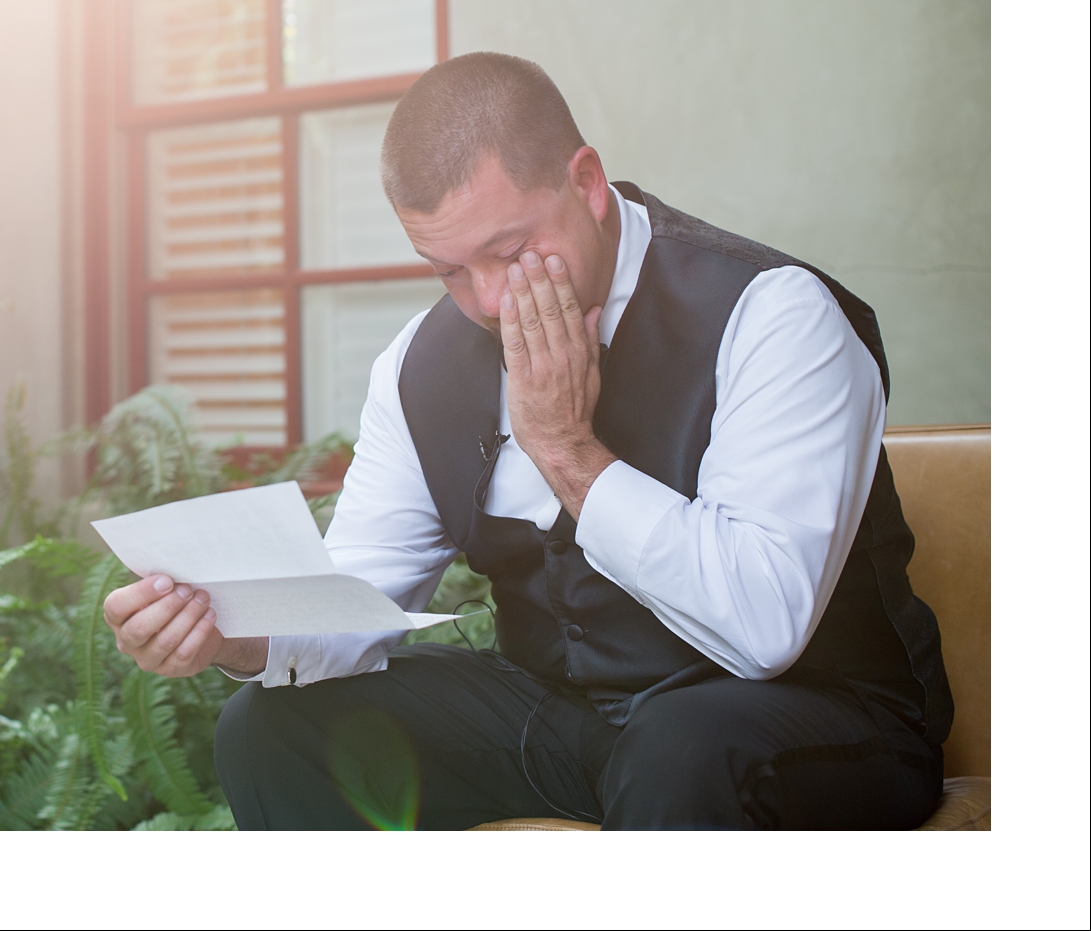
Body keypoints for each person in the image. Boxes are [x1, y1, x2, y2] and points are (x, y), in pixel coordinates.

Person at [102, 52, 952, 830]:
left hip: (813, 721)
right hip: (569, 719)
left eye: (508, 252)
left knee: (684, 746)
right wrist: (236, 637)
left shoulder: (774, 313)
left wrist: (566, 450)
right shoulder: (418, 365)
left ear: (584, 182)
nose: (485, 299)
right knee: (273, 728)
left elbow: (764, 627)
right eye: (447, 268)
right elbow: (353, 595)